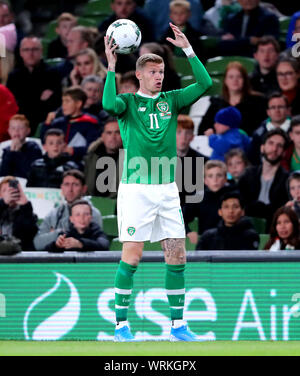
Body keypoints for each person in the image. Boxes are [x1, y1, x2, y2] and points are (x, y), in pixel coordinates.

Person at [103, 22, 212, 341]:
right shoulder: (128, 104)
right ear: (139, 75)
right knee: (132, 256)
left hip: (166, 190)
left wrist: (188, 50)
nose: (159, 76)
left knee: (177, 254)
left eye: (161, 70)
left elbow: (204, 83)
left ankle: (178, 325)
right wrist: (111, 67)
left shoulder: (172, 100)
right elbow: (109, 105)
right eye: (152, 72)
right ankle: (121, 324)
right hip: (136, 190)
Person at [33, 169, 103, 251]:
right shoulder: (53, 214)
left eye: (75, 185)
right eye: (66, 184)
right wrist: (58, 233)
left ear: (84, 189)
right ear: (61, 188)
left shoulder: (92, 213)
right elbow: (37, 243)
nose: (70, 189)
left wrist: (52, 234)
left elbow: (97, 244)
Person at [6, 36, 62, 135]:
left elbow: (55, 104)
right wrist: (39, 99)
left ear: (41, 51)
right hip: (20, 124)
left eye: (34, 49)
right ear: (21, 53)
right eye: (26, 50)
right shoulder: (14, 76)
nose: (30, 53)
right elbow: (12, 104)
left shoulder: (53, 74)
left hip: (44, 123)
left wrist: (27, 100)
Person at [238, 128, 290, 229]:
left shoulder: (287, 180)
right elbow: (240, 203)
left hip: (275, 228)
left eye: (279, 146)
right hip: (245, 227)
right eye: (271, 143)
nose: (274, 149)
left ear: (284, 153)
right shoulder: (248, 175)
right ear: (262, 147)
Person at [199, 61, 267, 136]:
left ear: (245, 80)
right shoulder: (216, 103)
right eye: (231, 77)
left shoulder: (258, 101)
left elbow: (261, 128)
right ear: (225, 81)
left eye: (239, 77)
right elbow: (202, 129)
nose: (235, 80)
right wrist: (212, 131)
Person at [40, 86, 101, 163]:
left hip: (78, 162)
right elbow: (44, 142)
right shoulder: (58, 122)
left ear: (78, 103)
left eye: (67, 101)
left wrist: (73, 150)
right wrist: (48, 123)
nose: (63, 105)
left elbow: (93, 148)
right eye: (63, 101)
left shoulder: (90, 123)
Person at [183, 159, 234, 244]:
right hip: (206, 243)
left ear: (225, 179)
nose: (215, 180)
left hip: (231, 242)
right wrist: (188, 232)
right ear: (205, 180)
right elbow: (180, 217)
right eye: (210, 176)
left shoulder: (234, 197)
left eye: (219, 175)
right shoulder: (198, 196)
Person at [45, 200, 109, 252]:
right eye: (77, 215)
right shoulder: (65, 234)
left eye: (86, 214)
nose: (82, 218)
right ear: (71, 219)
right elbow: (47, 249)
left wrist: (81, 244)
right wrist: (57, 245)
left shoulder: (98, 233)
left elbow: (104, 245)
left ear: (91, 217)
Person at [248, 92, 291, 166]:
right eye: (273, 107)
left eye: (280, 107)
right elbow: (254, 161)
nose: (277, 110)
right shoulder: (258, 134)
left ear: (287, 110)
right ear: (268, 112)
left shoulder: (296, 129)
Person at [84, 117, 123, 197]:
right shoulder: (90, 158)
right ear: (103, 136)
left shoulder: (131, 159)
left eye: (118, 133)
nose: (113, 137)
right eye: (109, 133)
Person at [176, 114, 208, 206]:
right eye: (179, 132)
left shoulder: (203, 161)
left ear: (192, 137)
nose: (184, 137)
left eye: (188, 133)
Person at [0, 176, 38, 251]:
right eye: (5, 190)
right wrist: (3, 203)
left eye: (12, 190)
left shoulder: (27, 212)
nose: (9, 193)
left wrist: (25, 205)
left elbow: (27, 236)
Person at [0, 115, 42, 179]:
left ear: (28, 131)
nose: (16, 131)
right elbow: (3, 175)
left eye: (21, 128)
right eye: (13, 128)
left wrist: (18, 152)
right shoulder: (7, 150)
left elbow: (31, 173)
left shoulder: (34, 148)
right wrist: (11, 152)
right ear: (9, 131)